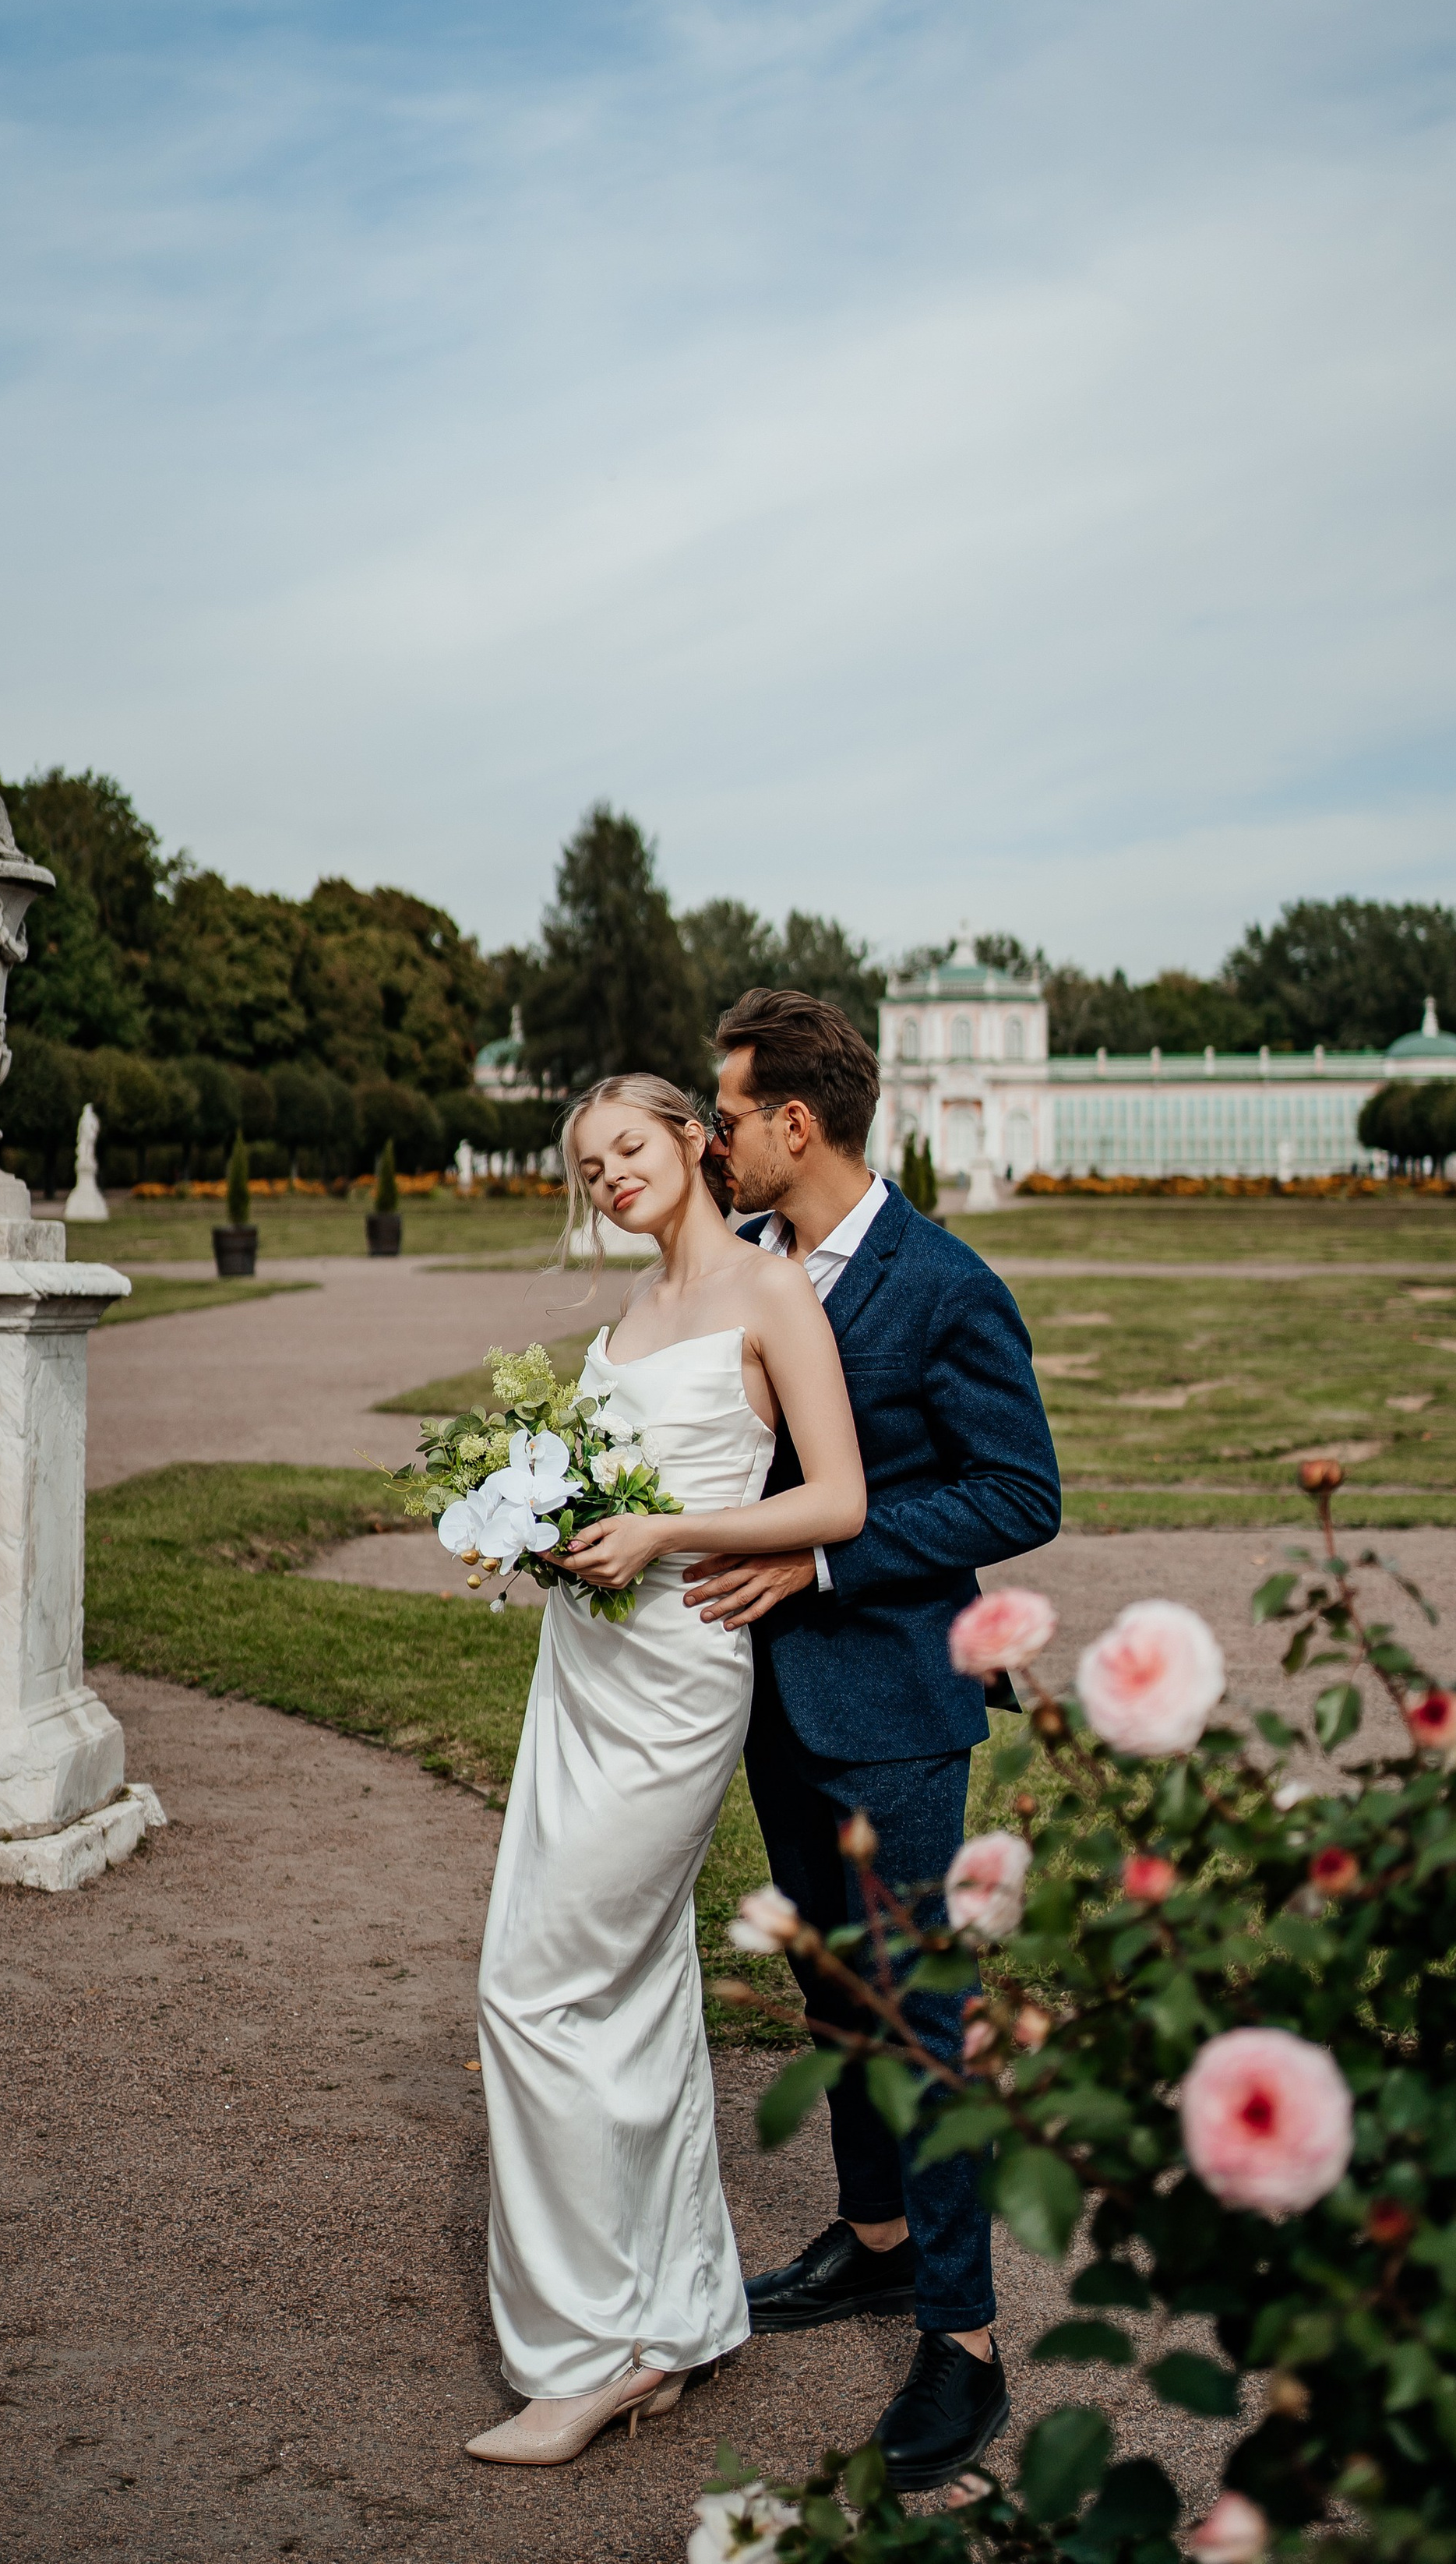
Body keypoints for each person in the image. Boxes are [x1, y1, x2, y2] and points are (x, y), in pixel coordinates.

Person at [465, 1071, 869, 2467]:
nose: (610, 1177)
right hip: (581, 1677)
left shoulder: (771, 1295)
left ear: (695, 1142)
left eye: (626, 1148)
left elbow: (838, 1498)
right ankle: (672, 2322)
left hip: (680, 1680)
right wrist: (534, 1529)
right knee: (625, 1990)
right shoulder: (628, 1319)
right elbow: (596, 1490)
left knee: (535, 1987)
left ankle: (591, 2356)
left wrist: (663, 1538)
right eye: (587, 1168)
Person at [687, 987, 1060, 2496]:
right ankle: (879, 2240)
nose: (712, 1137)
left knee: (922, 2018)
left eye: (724, 1112)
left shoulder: (941, 1282)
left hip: (894, 1708)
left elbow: (1015, 1491)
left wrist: (830, 1559)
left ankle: (963, 2343)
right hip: (769, 1702)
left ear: (795, 1121)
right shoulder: (746, 1265)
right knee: (832, 1994)